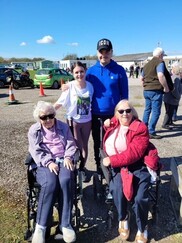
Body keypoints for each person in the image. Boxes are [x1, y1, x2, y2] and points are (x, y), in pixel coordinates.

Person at [102, 99, 159, 243]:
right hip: (117, 167)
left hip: (137, 165)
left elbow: (134, 152)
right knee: (117, 189)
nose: (125, 114)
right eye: (121, 111)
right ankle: (123, 217)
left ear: (133, 112)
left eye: (128, 110)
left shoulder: (140, 128)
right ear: (116, 113)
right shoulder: (115, 123)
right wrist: (106, 123)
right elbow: (111, 126)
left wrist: (112, 160)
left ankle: (142, 227)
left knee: (140, 197)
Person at [28, 101, 77, 243]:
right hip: (44, 163)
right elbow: (35, 150)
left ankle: (65, 224)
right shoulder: (34, 130)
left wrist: (68, 156)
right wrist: (48, 162)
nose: (48, 120)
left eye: (51, 116)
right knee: (50, 183)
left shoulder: (62, 126)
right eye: (44, 117)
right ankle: (41, 227)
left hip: (63, 160)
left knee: (66, 180)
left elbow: (70, 143)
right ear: (39, 118)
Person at [86, 38, 128, 172]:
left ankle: (112, 164)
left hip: (114, 115)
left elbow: (124, 95)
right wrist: (68, 86)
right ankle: (99, 166)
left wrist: (122, 114)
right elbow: (81, 88)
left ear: (111, 52)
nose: (104, 54)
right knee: (97, 141)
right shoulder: (91, 71)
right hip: (96, 114)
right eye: (101, 51)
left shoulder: (119, 70)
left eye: (107, 51)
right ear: (97, 53)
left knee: (113, 141)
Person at [54, 61, 94, 181]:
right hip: (73, 121)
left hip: (87, 121)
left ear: (85, 71)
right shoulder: (69, 87)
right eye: (76, 72)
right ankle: (74, 169)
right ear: (72, 73)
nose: (79, 74)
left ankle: (82, 168)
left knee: (85, 146)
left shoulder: (90, 86)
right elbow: (59, 103)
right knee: (76, 146)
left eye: (81, 71)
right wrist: (46, 112)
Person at [140, 47, 173, 139]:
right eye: (163, 55)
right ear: (160, 55)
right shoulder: (159, 63)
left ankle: (143, 129)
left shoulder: (146, 65)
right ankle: (151, 131)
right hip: (155, 90)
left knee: (147, 110)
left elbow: (141, 78)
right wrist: (166, 87)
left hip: (146, 90)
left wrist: (145, 86)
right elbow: (160, 75)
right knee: (156, 111)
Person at [162, 62, 182, 129]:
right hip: (171, 98)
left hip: (169, 98)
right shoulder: (176, 79)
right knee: (169, 112)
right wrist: (178, 96)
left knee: (170, 111)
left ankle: (170, 122)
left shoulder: (173, 77)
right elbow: (175, 89)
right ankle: (165, 124)